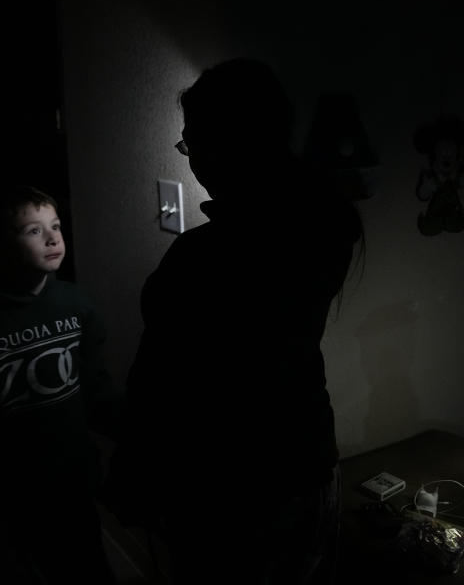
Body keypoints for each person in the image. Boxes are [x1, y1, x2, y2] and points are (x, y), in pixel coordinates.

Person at [104, 58, 364, 583]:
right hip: (305, 458)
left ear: (228, 143)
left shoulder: (203, 259)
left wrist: (132, 478)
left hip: (227, 486)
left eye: (192, 143)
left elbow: (162, 385)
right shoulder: (325, 224)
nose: (192, 159)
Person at [0, 185, 117, 584]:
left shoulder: (77, 305)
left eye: (55, 227)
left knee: (87, 568)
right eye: (34, 231)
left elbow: (96, 387)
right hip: (8, 488)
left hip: (71, 478)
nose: (53, 238)